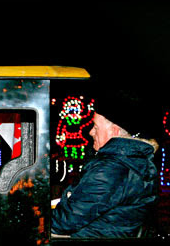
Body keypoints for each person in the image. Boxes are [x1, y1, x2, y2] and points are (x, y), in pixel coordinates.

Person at [51, 89, 159, 238]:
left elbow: (64, 221)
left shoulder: (111, 169)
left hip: (90, 242)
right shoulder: (133, 161)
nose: (91, 132)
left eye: (96, 127)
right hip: (105, 237)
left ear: (114, 131)